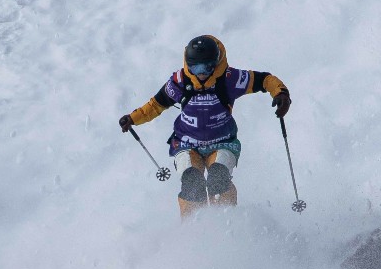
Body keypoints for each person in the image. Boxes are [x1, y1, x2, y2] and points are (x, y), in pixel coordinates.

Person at [120, 35, 291, 217]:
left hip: (223, 142)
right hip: (186, 143)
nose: (201, 73)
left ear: (216, 63)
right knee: (192, 181)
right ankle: (192, 229)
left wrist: (281, 93)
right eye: (195, 67)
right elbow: (156, 104)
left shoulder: (229, 79)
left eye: (207, 67)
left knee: (218, 179)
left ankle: (227, 221)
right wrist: (133, 118)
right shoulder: (180, 82)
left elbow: (264, 80)